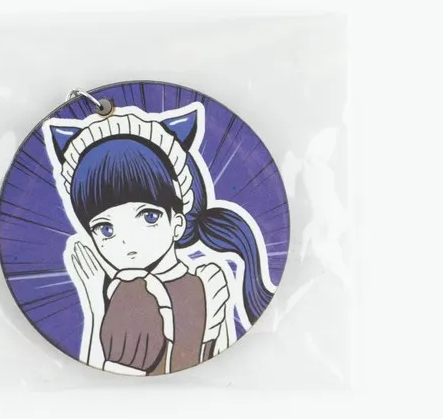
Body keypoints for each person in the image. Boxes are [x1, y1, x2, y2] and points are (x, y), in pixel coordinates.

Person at [46, 104, 275, 375]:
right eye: (106, 229)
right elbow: (219, 364)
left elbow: (109, 383)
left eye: (148, 216)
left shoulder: (131, 293)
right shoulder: (210, 279)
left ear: (177, 222)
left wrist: (97, 302)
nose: (127, 243)